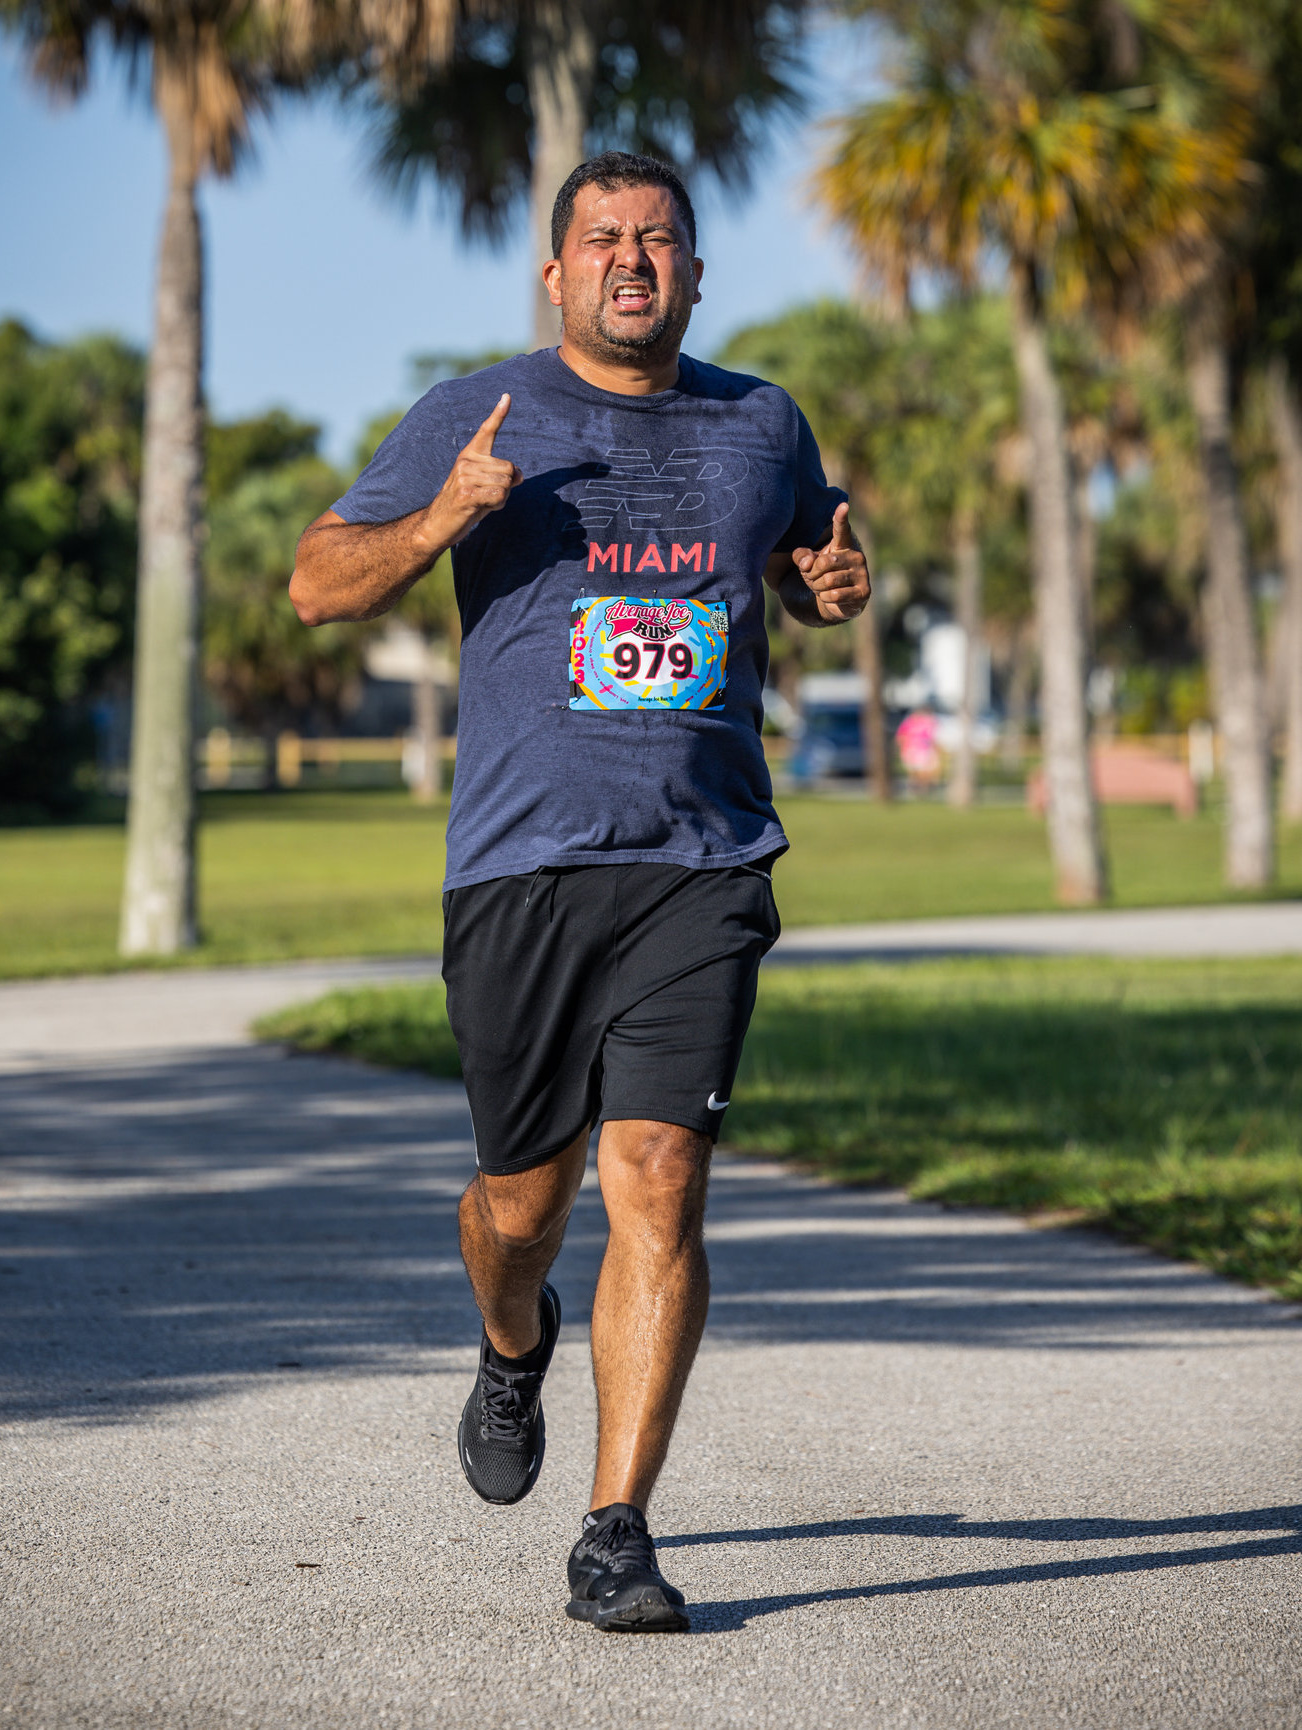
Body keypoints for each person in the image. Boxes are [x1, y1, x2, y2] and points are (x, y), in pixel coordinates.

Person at [289, 151, 870, 1633]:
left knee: (659, 1180)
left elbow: (804, 558)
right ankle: (508, 1338)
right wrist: (441, 519)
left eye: (657, 238)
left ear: (693, 270)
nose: (630, 259)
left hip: (704, 857)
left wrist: (827, 578)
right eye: (601, 240)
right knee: (519, 1206)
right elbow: (316, 582)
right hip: (522, 865)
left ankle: (616, 1530)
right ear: (554, 275)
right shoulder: (475, 414)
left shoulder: (760, 421)